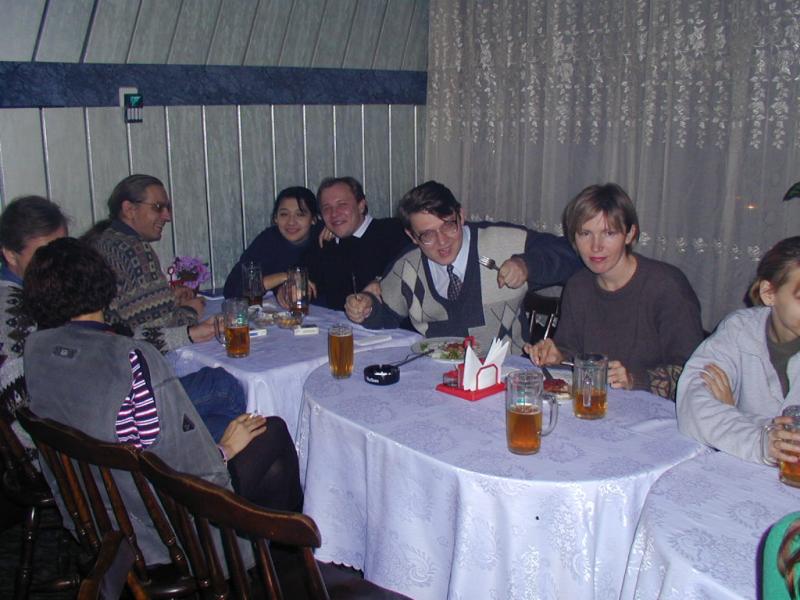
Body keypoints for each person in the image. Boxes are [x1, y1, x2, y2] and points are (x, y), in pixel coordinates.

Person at [22, 238, 303, 562]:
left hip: (94, 504)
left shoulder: (38, 348)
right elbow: (171, 468)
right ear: (103, 283)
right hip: (161, 520)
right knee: (271, 431)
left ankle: (270, 551)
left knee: (233, 425)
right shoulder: (130, 358)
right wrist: (224, 450)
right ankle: (282, 552)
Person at [88, 174, 246, 441]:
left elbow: (130, 309)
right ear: (129, 209)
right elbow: (160, 327)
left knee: (217, 417)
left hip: (107, 381)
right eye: (158, 207)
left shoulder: (104, 240)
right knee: (228, 385)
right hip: (129, 389)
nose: (167, 216)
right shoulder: (135, 250)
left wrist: (169, 298)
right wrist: (192, 310)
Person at [344, 180, 583, 354]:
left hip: (506, 373)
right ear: (412, 236)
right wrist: (366, 308)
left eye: (449, 225)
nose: (442, 241)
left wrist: (527, 264)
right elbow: (385, 312)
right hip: (437, 375)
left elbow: (573, 255)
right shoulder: (408, 265)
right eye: (427, 235)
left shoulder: (503, 243)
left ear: (461, 215)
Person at [525, 183, 704, 399]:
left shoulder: (666, 286)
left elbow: (695, 374)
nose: (596, 246)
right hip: (595, 406)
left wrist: (634, 379)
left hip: (654, 410)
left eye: (608, 233)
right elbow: (571, 352)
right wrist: (557, 355)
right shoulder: (578, 286)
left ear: (629, 234)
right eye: (585, 234)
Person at [677, 236, 800, 464]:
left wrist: (736, 415)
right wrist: (762, 442)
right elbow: (692, 405)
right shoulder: (740, 329)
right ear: (769, 293)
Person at [294, 176, 411, 310]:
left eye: (342, 204)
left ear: (361, 206)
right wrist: (287, 289)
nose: (334, 214)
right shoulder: (325, 242)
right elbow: (300, 276)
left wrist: (381, 281)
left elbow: (409, 269)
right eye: (326, 208)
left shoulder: (395, 231)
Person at [0, 196, 68, 410]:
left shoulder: (42, 290)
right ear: (11, 255)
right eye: (44, 253)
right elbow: (18, 404)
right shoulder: (11, 309)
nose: (59, 261)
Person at [223, 186, 321, 298]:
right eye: (284, 214)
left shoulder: (325, 238)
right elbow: (232, 289)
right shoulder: (268, 241)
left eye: (300, 214)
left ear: (314, 219)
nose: (291, 222)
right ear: (275, 218)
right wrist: (285, 277)